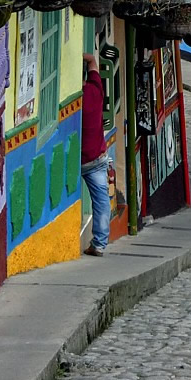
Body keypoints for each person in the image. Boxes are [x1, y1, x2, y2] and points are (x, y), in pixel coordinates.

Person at [81, 53, 112, 256]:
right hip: (97, 158)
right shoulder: (95, 90)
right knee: (101, 201)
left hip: (77, 159)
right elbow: (92, 60)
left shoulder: (74, 103)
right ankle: (99, 244)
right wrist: (82, 57)